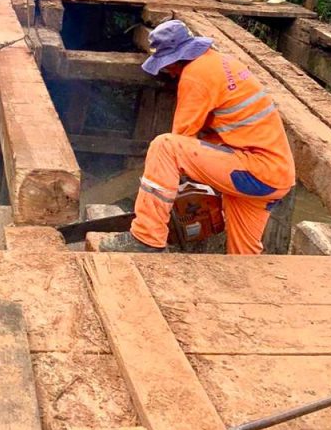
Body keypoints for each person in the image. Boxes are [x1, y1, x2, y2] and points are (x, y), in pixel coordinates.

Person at [99, 19, 295, 255]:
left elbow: (181, 140)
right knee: (244, 257)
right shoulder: (223, 62)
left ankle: (146, 237)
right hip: (275, 176)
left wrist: (172, 188)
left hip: (254, 168)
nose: (168, 73)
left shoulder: (195, 75)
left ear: (175, 59)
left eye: (166, 66)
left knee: (165, 147)